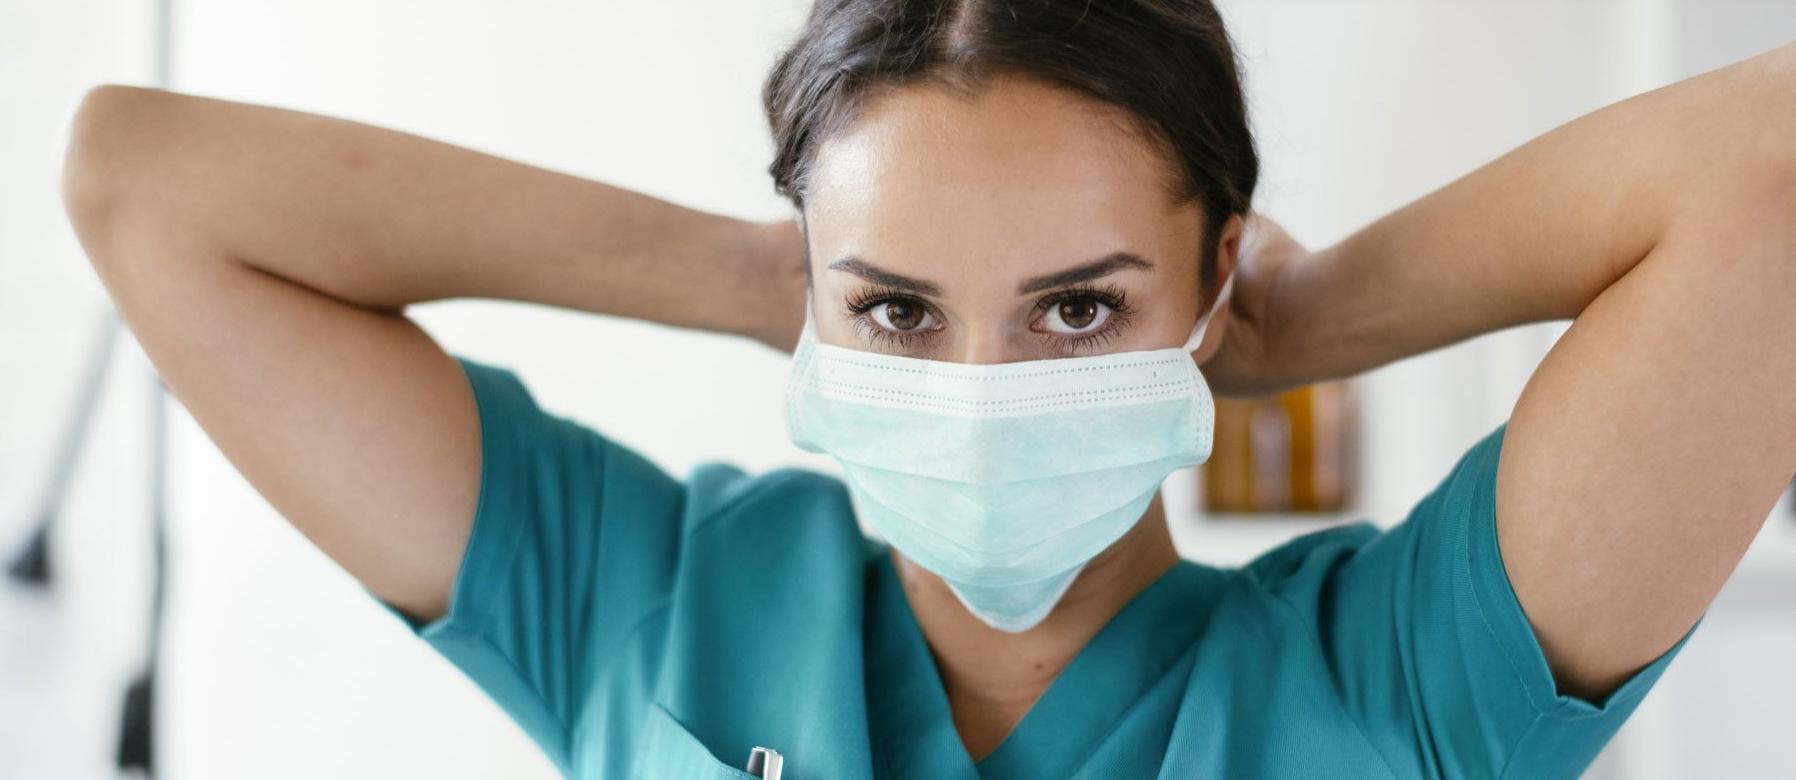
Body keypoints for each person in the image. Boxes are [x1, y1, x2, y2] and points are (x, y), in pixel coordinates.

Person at [58, 0, 1796, 777]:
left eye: (1073, 311)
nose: (976, 386)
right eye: (901, 313)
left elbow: (1773, 164)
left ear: (1212, 287)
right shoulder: (641, 604)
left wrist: (1320, 319)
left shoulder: (1405, 684)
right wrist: (765, 280)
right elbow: (143, 181)